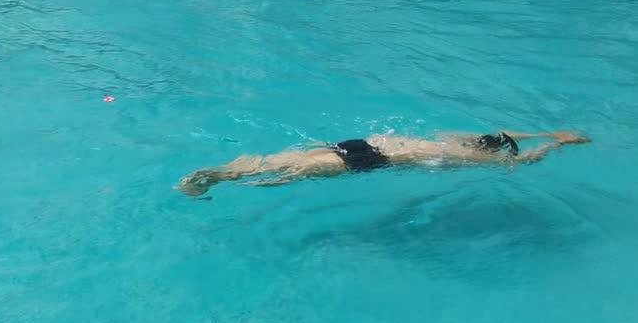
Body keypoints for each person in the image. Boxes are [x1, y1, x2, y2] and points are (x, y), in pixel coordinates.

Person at [177, 131, 590, 196]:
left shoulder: (449, 138)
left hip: (355, 142)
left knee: (274, 164)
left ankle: (215, 174)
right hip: (373, 160)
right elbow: (520, 161)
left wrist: (548, 132)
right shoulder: (464, 156)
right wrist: (558, 146)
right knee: (281, 179)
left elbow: (505, 133)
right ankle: (217, 181)